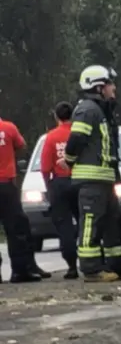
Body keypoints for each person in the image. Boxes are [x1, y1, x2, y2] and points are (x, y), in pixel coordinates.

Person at [65, 65, 121, 283]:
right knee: (91, 223)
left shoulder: (102, 110)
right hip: (91, 180)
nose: (114, 88)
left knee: (113, 224)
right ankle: (91, 270)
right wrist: (68, 161)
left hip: (105, 179)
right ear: (98, 87)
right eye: (110, 84)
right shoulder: (88, 110)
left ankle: (119, 266)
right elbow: (75, 141)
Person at [0, 114, 43, 283]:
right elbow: (22, 145)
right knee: (16, 229)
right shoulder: (9, 128)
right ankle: (20, 271)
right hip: (6, 185)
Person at [40, 103, 80, 279]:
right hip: (80, 180)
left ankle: (72, 266)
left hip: (60, 183)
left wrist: (49, 188)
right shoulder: (79, 134)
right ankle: (95, 261)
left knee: (64, 226)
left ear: (56, 117)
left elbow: (45, 167)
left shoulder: (51, 137)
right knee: (86, 221)